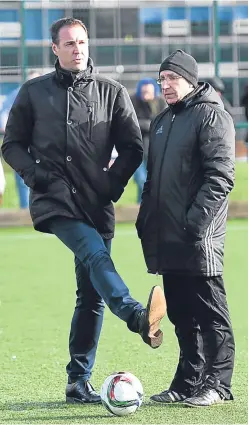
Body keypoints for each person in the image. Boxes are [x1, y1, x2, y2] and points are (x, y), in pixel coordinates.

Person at [1, 17, 166, 404]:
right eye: (70, 44)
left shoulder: (111, 91)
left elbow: (132, 148)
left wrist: (112, 184)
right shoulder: (33, 92)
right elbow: (12, 145)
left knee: (90, 295)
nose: (78, 49)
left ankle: (78, 381)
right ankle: (137, 316)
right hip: (55, 200)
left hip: (97, 200)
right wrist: (37, 176)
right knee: (93, 253)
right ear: (54, 49)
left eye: (83, 42)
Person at [136, 50, 235, 407]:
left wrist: (195, 223)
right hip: (168, 235)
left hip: (198, 234)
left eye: (172, 79)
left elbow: (220, 177)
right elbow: (152, 181)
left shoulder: (212, 115)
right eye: (162, 79)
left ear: (191, 81)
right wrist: (146, 216)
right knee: (179, 313)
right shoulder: (162, 121)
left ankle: (218, 384)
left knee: (210, 312)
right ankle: (188, 381)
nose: (165, 85)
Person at [0, 70, 41, 209]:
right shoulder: (18, 94)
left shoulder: (47, 94)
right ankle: (26, 209)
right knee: (23, 174)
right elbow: (3, 115)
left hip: (40, 141)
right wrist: (11, 131)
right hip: (23, 140)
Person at [130, 78, 165, 203]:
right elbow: (130, 122)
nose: (146, 95)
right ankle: (142, 206)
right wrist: (151, 125)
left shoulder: (160, 102)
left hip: (154, 148)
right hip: (136, 148)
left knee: (151, 181)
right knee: (141, 180)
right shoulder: (132, 101)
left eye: (148, 92)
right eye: (144, 92)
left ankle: (142, 207)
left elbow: (164, 123)